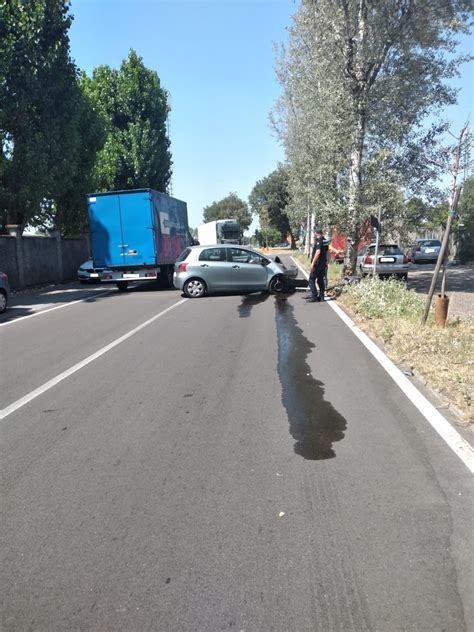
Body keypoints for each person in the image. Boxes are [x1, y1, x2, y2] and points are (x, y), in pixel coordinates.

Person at [306, 227, 328, 303]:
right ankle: (321, 297)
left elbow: (318, 252)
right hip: (323, 264)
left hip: (317, 264)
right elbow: (327, 253)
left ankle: (314, 296)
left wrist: (312, 263)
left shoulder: (319, 241)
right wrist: (326, 262)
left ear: (316, 233)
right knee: (320, 280)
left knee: (311, 279)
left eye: (314, 233)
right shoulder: (325, 240)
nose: (314, 234)